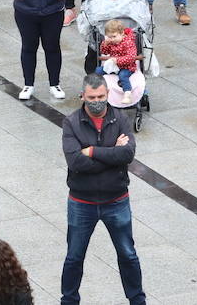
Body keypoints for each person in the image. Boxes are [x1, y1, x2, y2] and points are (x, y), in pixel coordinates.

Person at [59, 73, 143, 305]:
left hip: (116, 200)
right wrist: (111, 153)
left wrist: (93, 151)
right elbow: (75, 162)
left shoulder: (120, 119)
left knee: (128, 254)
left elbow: (127, 154)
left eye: (101, 96)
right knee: (74, 257)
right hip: (81, 203)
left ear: (108, 94)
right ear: (82, 96)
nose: (97, 101)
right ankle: (68, 301)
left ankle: (138, 300)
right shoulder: (71, 122)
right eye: (91, 97)